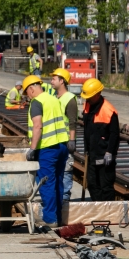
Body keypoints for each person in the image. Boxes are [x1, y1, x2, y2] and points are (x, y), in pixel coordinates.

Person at [23, 75, 69, 227]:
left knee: (46, 183)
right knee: (57, 182)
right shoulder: (53, 99)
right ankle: (58, 217)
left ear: (31, 89)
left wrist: (32, 149)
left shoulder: (37, 102)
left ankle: (50, 219)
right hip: (62, 145)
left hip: (47, 148)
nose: (27, 97)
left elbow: (38, 126)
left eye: (26, 93)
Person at [81, 78, 119, 202]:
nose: (88, 99)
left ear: (98, 94)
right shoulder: (87, 105)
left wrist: (110, 152)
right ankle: (98, 209)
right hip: (92, 153)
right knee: (92, 184)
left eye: (90, 96)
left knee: (106, 186)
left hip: (104, 156)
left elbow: (115, 134)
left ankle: (108, 212)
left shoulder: (109, 111)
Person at [51, 68, 78, 205]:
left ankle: (65, 198)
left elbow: (72, 121)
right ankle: (58, 197)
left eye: (54, 79)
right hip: (56, 141)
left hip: (66, 141)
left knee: (67, 170)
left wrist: (72, 140)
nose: (51, 82)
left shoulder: (70, 99)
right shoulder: (55, 98)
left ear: (62, 81)